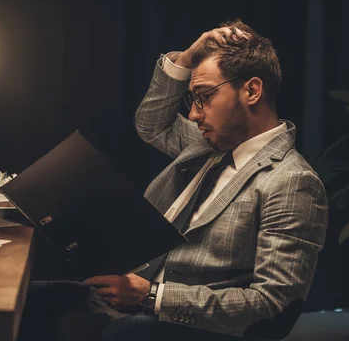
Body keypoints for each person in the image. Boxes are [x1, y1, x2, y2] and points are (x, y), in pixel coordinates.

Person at [18, 20, 328, 341]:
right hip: (124, 292)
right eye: (192, 100)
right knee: (16, 302)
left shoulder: (292, 182)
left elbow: (271, 304)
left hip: (181, 325)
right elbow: (151, 124)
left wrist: (153, 296)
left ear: (251, 90)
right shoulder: (209, 141)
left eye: (204, 96)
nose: (194, 114)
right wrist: (187, 58)